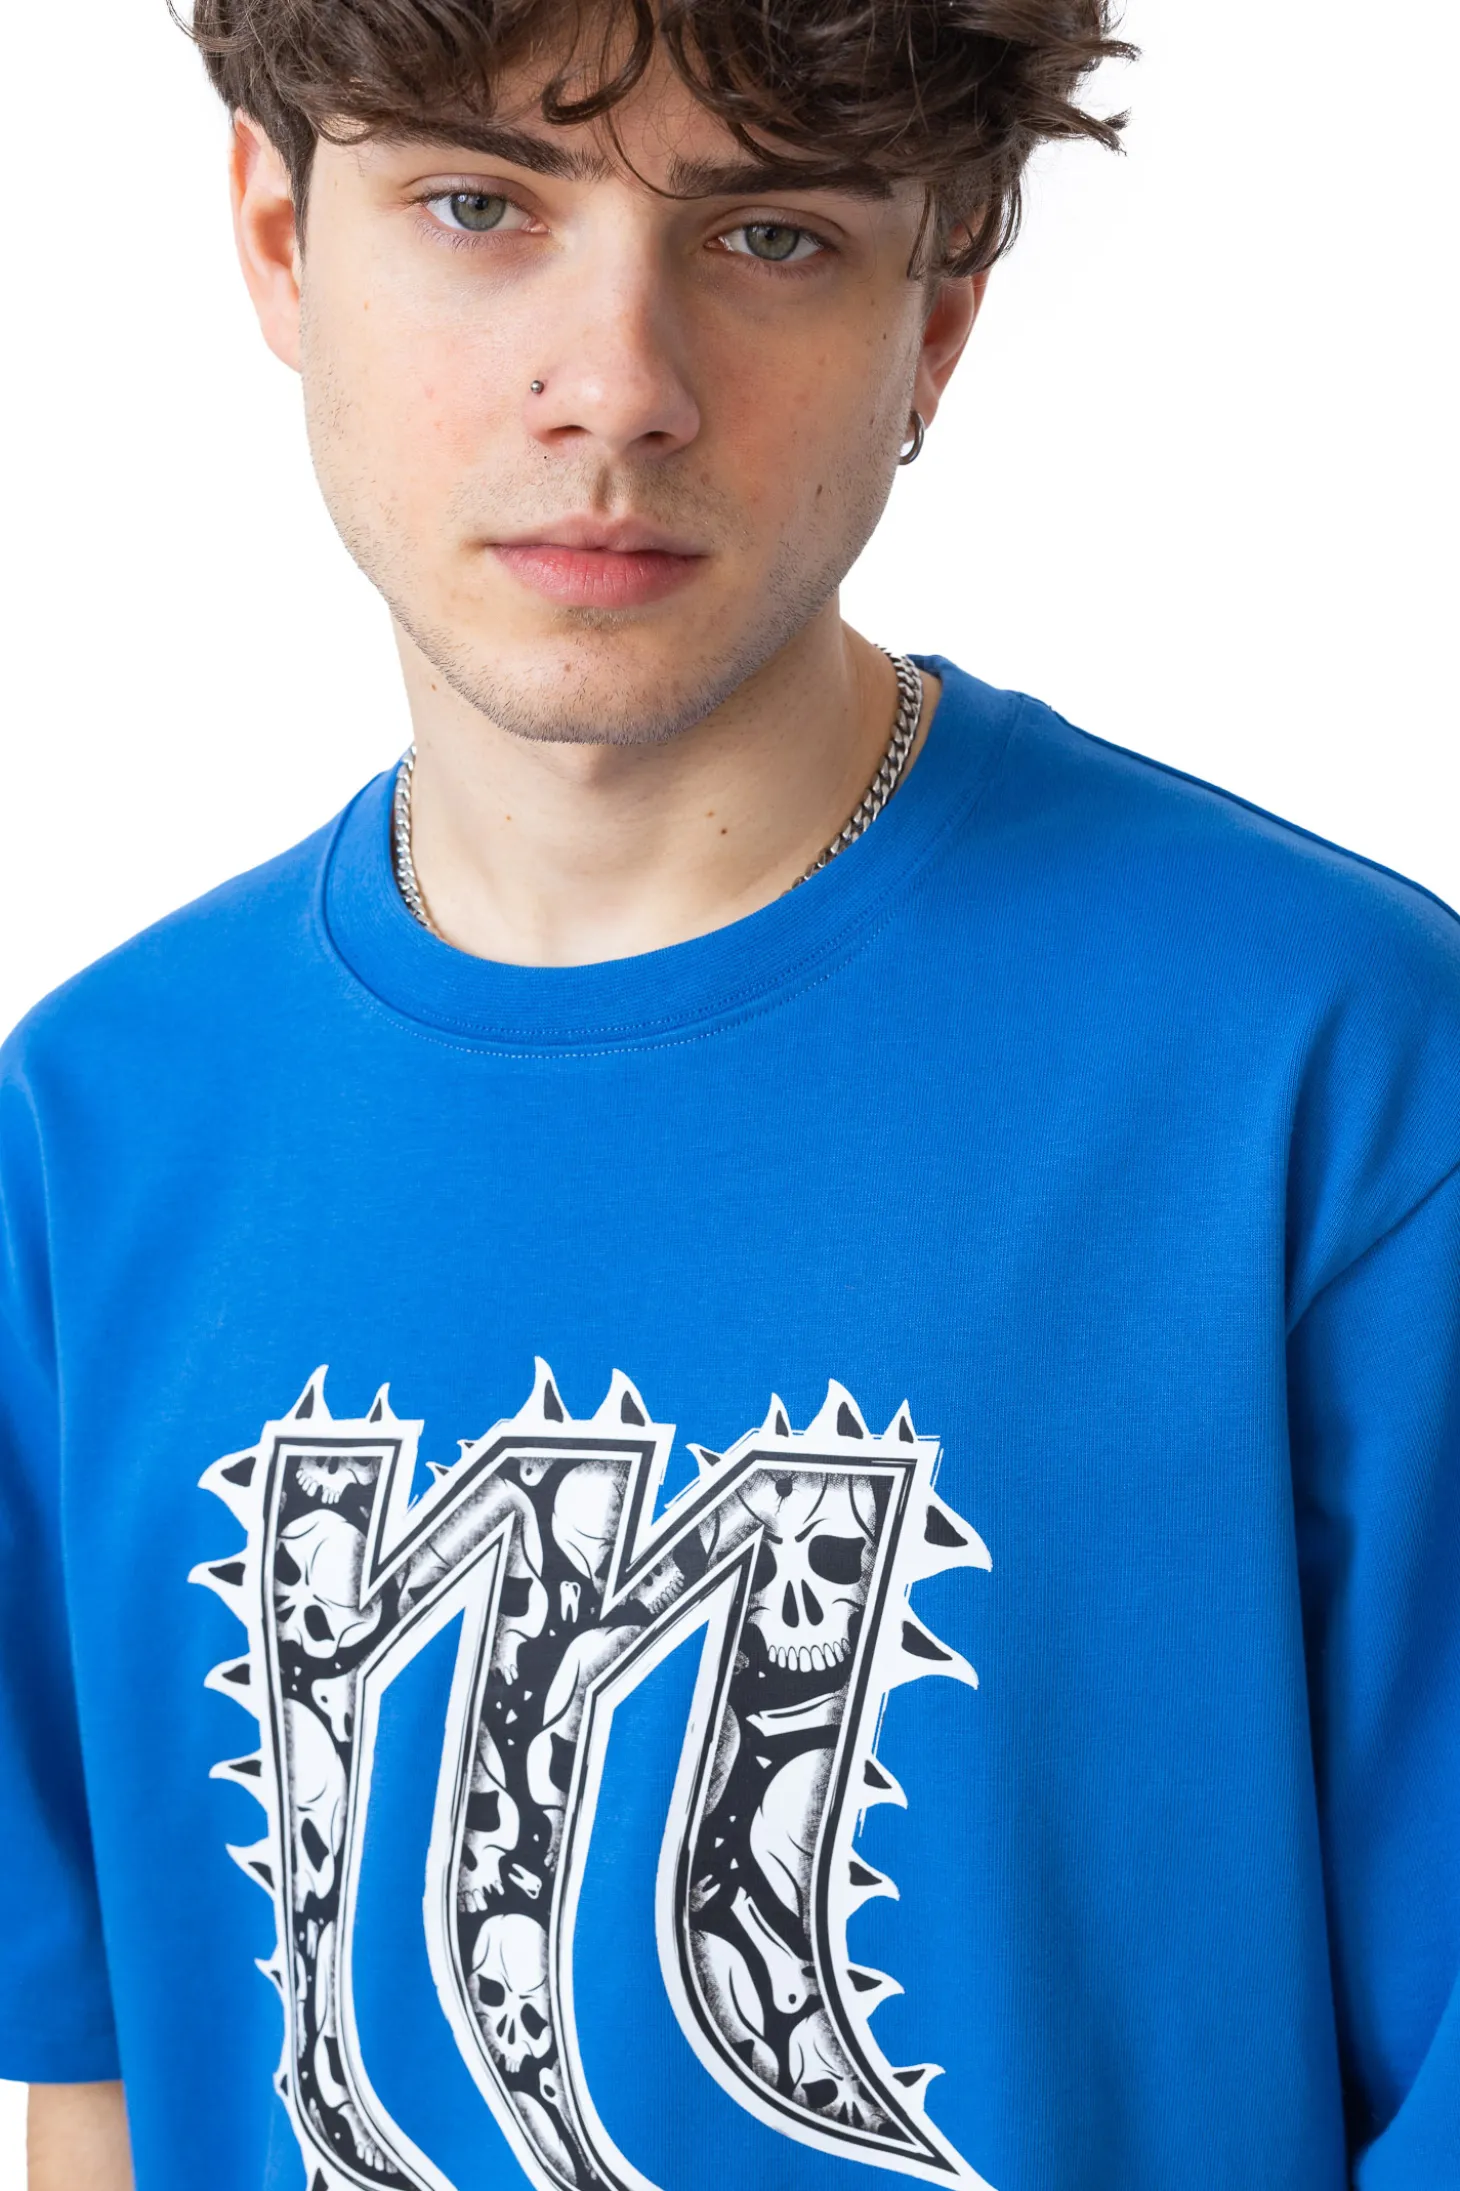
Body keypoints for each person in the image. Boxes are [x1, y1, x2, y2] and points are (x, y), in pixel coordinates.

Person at [4, 0, 1458, 2185]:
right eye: (480, 206)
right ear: (283, 241)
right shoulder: (89, 1137)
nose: (616, 385)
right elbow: (107, 2083)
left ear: (936, 315)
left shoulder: (1328, 1082)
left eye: (767, 235)